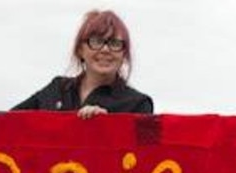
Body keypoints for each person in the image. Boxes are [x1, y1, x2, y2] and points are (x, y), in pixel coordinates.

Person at [13, 9, 153, 118]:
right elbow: (7, 122)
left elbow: (147, 152)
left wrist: (108, 126)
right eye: (96, 42)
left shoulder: (138, 104)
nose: (105, 49)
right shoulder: (56, 89)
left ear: (124, 54)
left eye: (114, 43)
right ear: (80, 50)